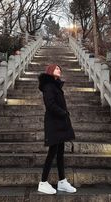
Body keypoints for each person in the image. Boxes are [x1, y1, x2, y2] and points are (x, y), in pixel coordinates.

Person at [38, 64, 76, 195]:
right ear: (50, 71)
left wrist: (64, 115)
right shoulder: (49, 86)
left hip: (60, 123)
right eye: (56, 68)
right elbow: (50, 104)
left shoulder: (56, 86)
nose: (59, 70)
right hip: (54, 123)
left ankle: (62, 181)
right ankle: (43, 182)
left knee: (60, 153)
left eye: (60, 68)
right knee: (52, 153)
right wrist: (63, 113)